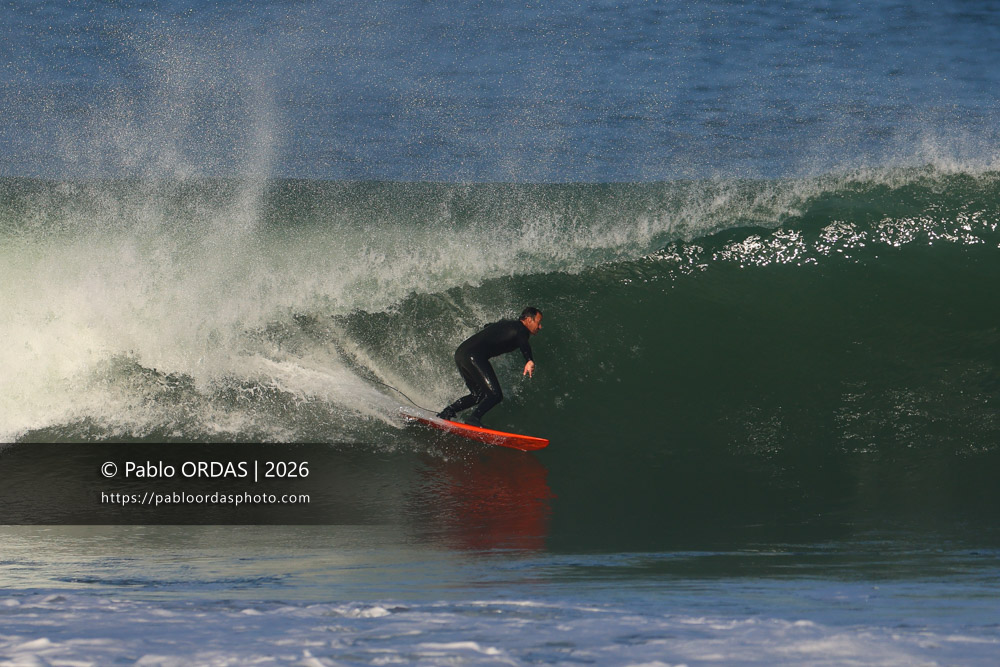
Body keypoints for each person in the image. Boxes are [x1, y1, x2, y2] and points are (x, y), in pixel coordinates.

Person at [437, 307, 543, 428]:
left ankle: (447, 412)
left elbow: (488, 326)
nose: (540, 327)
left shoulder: (506, 324)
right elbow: (524, 343)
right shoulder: (521, 329)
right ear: (529, 320)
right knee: (495, 395)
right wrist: (529, 360)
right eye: (538, 323)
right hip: (474, 356)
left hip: (461, 353)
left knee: (478, 395)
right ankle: (474, 418)